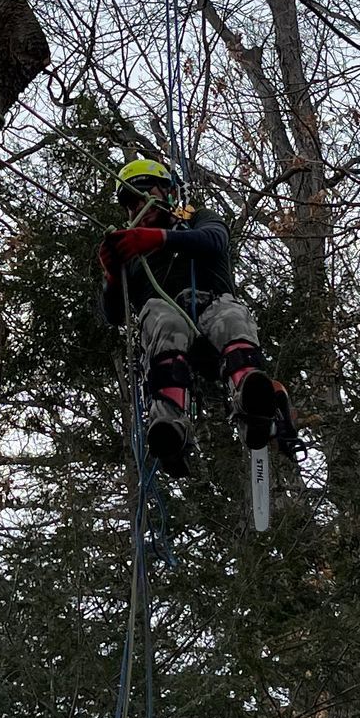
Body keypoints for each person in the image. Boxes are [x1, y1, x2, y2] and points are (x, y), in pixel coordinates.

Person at [97, 155, 292, 479]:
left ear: (168, 191)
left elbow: (216, 240)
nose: (137, 209)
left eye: (144, 194)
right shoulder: (131, 254)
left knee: (231, 317)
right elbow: (114, 315)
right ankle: (169, 424)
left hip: (212, 306)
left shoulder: (196, 219)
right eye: (129, 203)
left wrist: (161, 238)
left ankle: (251, 398)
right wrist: (113, 277)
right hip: (168, 325)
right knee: (161, 318)